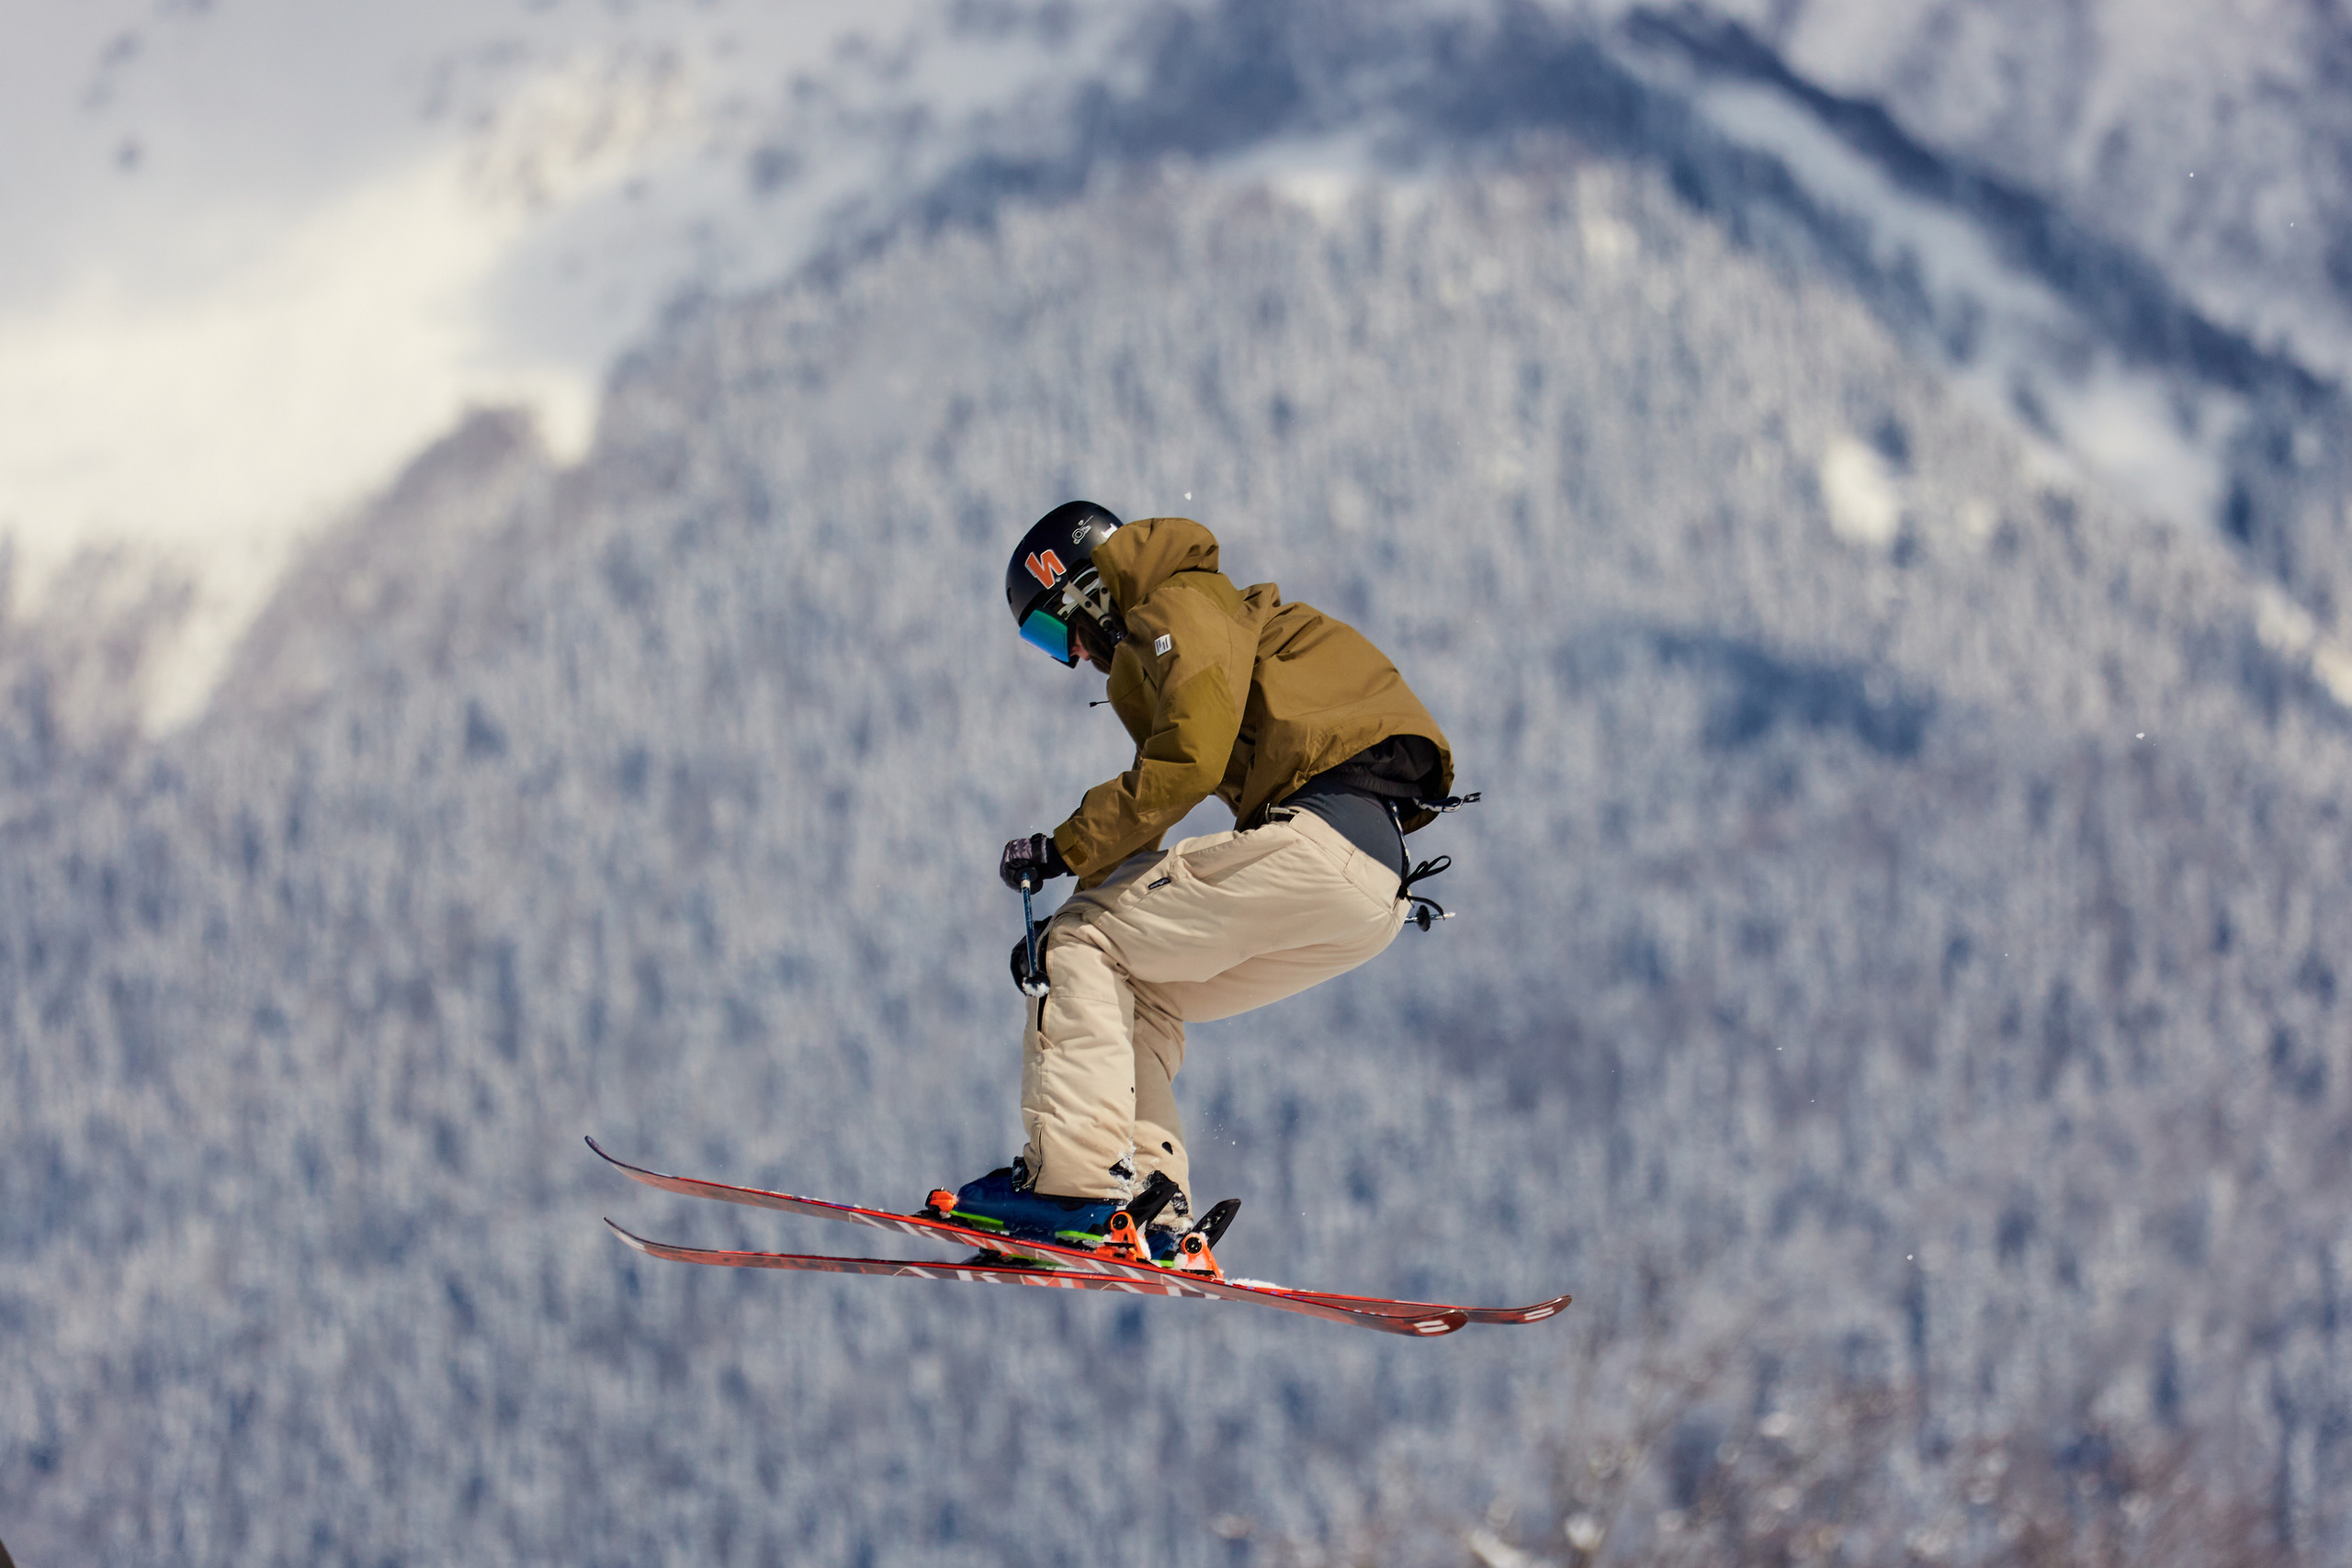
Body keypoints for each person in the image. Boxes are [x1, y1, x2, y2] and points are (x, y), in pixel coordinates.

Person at [937, 501, 1465, 1258]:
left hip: (1318, 844)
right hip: (1369, 885)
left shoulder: (1180, 603)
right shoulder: (1183, 627)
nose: (1073, 656)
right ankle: (1145, 1204)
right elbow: (1162, 790)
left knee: (1086, 941)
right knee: (1132, 984)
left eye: (1056, 630)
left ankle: (1074, 1187)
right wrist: (1071, 907)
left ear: (1082, 587)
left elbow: (1188, 763)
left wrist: (1061, 854)